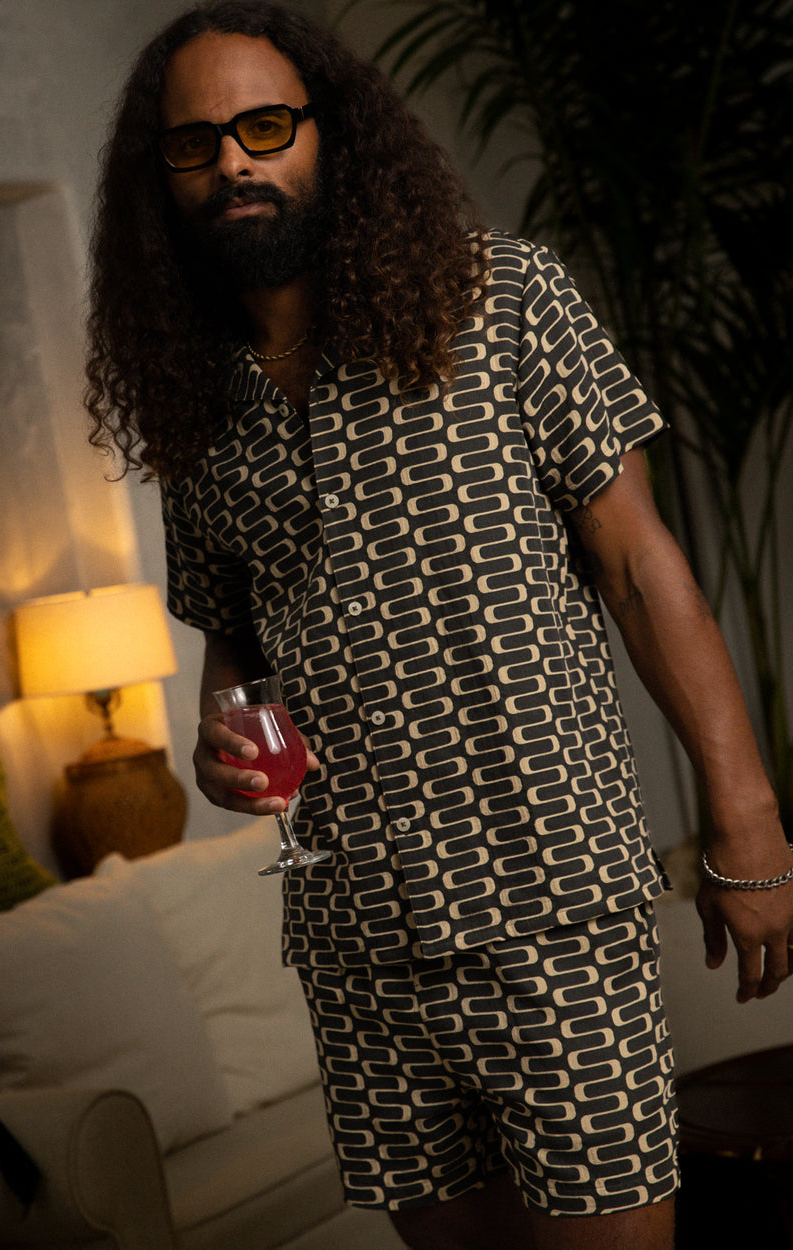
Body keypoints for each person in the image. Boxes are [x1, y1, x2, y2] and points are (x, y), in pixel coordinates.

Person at [84, 4, 793, 1247]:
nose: (232, 162)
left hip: (553, 907)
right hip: (358, 943)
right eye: (193, 144)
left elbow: (638, 565)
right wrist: (216, 732)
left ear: (331, 135)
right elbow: (233, 642)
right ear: (163, 180)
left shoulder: (504, 298)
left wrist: (748, 824)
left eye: (262, 126)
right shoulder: (191, 400)